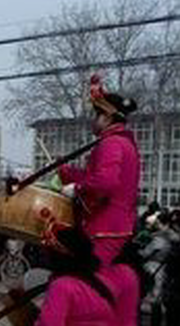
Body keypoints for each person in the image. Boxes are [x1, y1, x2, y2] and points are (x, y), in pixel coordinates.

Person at [59, 74, 140, 266]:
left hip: (105, 227)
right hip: (116, 225)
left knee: (85, 283)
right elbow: (94, 177)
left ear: (107, 117)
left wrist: (76, 189)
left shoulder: (111, 143)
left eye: (97, 115)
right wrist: (65, 170)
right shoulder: (123, 143)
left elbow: (105, 181)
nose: (93, 120)